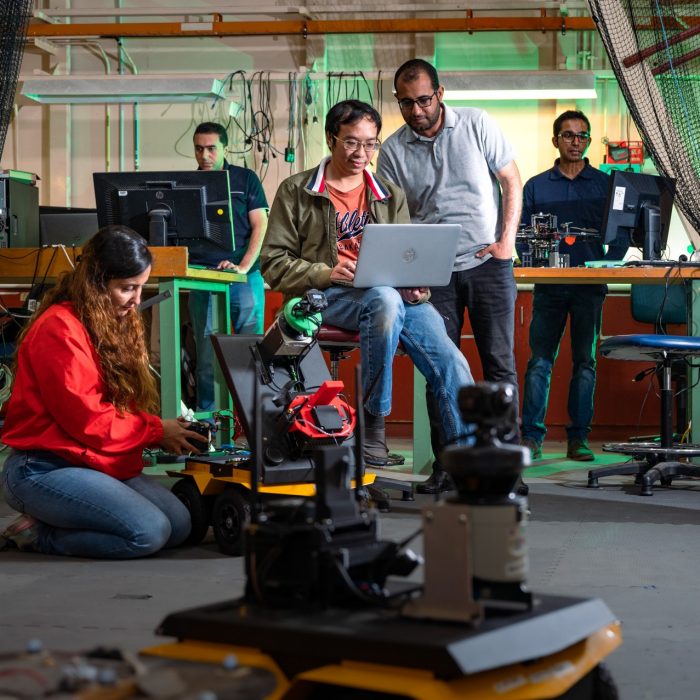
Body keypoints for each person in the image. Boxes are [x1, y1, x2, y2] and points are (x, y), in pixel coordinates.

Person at [260, 99, 473, 469]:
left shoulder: (389, 194)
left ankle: (465, 458)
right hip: (328, 296)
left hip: (389, 297)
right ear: (331, 139)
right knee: (385, 300)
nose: (363, 153)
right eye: (352, 142)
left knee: (451, 360)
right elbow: (272, 265)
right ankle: (374, 423)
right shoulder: (296, 190)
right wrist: (324, 273)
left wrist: (415, 285)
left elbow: (407, 256)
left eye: (371, 143)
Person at [0, 226, 206, 558]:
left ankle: (70, 518)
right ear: (96, 284)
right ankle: (38, 534)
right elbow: (89, 420)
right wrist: (155, 430)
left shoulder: (107, 321)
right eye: (127, 289)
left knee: (179, 525)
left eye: (141, 287)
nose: (137, 300)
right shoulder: (59, 330)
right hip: (41, 469)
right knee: (148, 532)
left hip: (90, 460)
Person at [377, 58, 522, 494]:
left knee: (499, 367)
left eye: (423, 100)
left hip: (487, 264)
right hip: (430, 273)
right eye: (406, 103)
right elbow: (390, 218)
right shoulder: (392, 150)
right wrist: (405, 274)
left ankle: (505, 466)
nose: (416, 110)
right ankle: (447, 465)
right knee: (439, 367)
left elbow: (512, 180)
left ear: (440, 94)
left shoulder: (477, 124)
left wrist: (506, 242)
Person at [518, 110, 627, 461]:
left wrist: (610, 259)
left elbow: (622, 230)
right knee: (540, 363)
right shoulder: (536, 186)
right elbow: (520, 233)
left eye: (582, 136)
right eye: (568, 135)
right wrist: (530, 261)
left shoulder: (606, 185)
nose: (575, 141)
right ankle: (531, 437)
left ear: (589, 140)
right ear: (556, 140)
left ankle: (578, 438)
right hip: (549, 287)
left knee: (585, 363)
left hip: (589, 287)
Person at [189, 121, 269, 412]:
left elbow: (260, 224)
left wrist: (242, 266)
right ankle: (209, 424)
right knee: (207, 356)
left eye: (211, 148)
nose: (205, 155)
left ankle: (254, 420)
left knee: (250, 353)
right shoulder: (187, 182)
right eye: (199, 149)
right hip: (202, 279)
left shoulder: (245, 179)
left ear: (225, 148)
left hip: (245, 278)